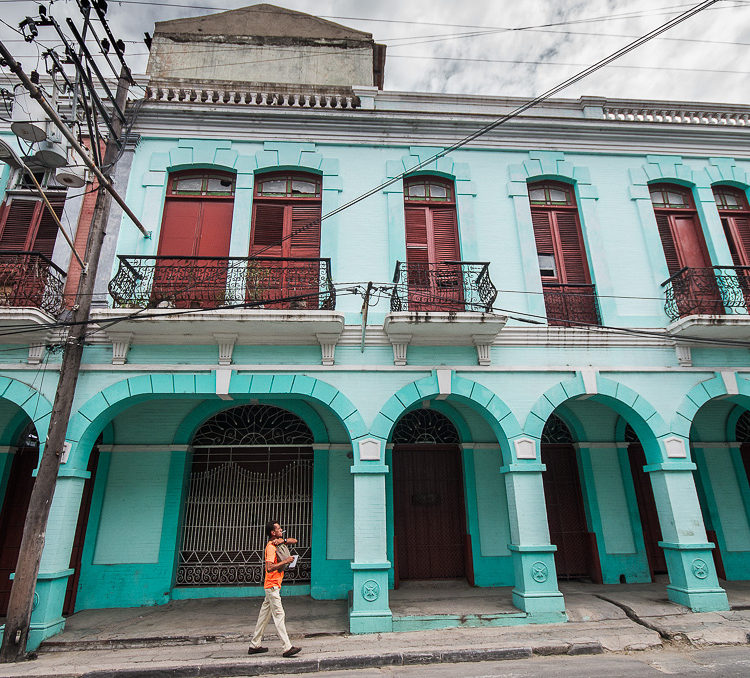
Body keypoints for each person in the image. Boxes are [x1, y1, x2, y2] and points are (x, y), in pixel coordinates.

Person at [248, 521, 301, 658]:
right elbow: (269, 567)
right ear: (273, 532)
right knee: (279, 615)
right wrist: (286, 561)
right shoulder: (271, 548)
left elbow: (294, 540)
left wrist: (282, 540)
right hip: (272, 586)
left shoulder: (279, 543)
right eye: (279, 529)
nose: (281, 529)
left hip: (273, 586)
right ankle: (286, 647)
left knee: (263, 617)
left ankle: (255, 645)